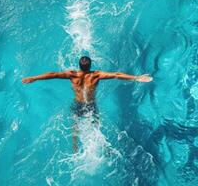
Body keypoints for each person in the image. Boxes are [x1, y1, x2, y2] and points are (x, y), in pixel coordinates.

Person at [22, 56, 153, 152]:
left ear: (79, 66)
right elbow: (116, 75)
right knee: (96, 126)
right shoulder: (96, 75)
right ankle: (101, 147)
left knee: (75, 127)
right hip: (91, 105)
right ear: (90, 66)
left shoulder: (72, 75)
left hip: (77, 104)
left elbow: (53, 74)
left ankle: (75, 149)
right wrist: (136, 78)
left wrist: (33, 78)